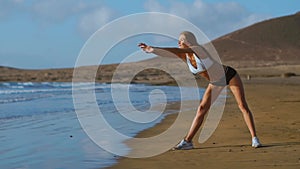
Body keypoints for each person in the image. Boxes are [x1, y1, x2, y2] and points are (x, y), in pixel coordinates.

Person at [138, 31, 262, 150]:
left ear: (190, 41)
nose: (179, 42)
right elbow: (169, 53)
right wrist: (152, 50)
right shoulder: (184, 55)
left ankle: (254, 138)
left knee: (242, 105)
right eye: (178, 40)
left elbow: (175, 50)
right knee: (202, 108)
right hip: (215, 82)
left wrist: (153, 48)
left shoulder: (198, 49)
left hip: (229, 75)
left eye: (182, 39)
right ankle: (187, 142)